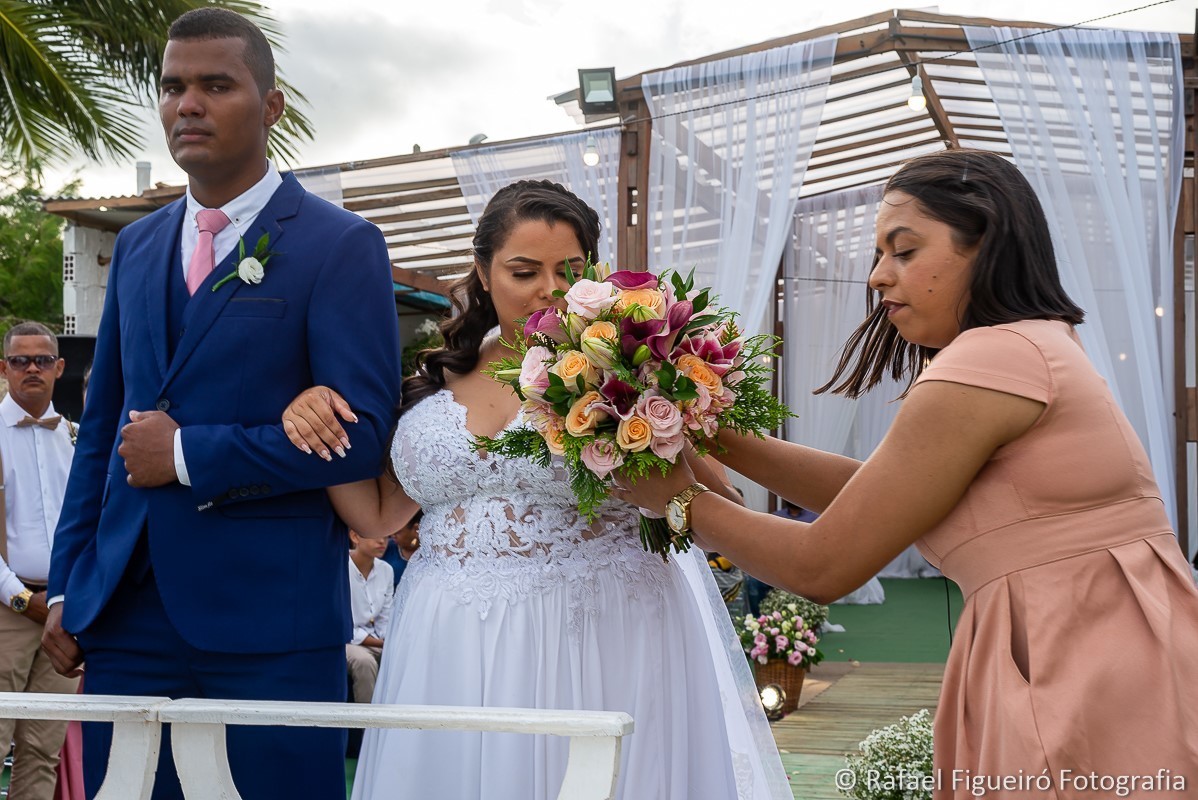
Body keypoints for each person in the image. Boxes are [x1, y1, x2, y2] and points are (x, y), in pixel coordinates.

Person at [617, 149, 1198, 797]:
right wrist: (712, 433)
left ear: (986, 242)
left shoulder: (988, 359)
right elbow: (874, 492)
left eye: (904, 251)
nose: (876, 277)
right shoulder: (1032, 342)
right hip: (1112, 644)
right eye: (877, 255)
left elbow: (823, 564)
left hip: (1079, 658)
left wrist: (680, 502)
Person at [282, 179, 791, 800]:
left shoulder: (627, 372)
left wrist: (654, 440)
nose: (548, 290)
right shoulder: (433, 375)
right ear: (482, 271)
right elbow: (381, 513)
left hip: (600, 631)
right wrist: (315, 415)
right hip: (448, 638)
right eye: (524, 271)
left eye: (568, 270)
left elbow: (720, 505)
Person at [41, 8, 401, 799]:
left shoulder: (338, 245)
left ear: (269, 106)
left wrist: (186, 454)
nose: (187, 104)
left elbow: (364, 439)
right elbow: (101, 435)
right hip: (125, 616)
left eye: (215, 85)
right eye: (173, 87)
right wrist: (70, 583)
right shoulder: (135, 248)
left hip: (268, 623)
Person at [0, 322, 80, 800]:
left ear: (59, 367)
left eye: (42, 360)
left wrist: (66, 599)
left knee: (41, 750)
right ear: (4, 368)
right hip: (7, 612)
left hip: (63, 612)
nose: (32, 368)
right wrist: (21, 599)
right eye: (20, 360)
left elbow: (86, 528)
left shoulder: (73, 438)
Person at [346, 530, 394, 704]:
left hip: (375, 638)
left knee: (400, 656)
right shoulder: (339, 567)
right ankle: (366, 726)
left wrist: (388, 639)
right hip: (344, 640)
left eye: (387, 535)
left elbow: (385, 616)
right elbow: (340, 622)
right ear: (355, 537)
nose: (382, 540)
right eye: (375, 534)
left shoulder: (386, 570)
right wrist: (382, 643)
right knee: (364, 662)